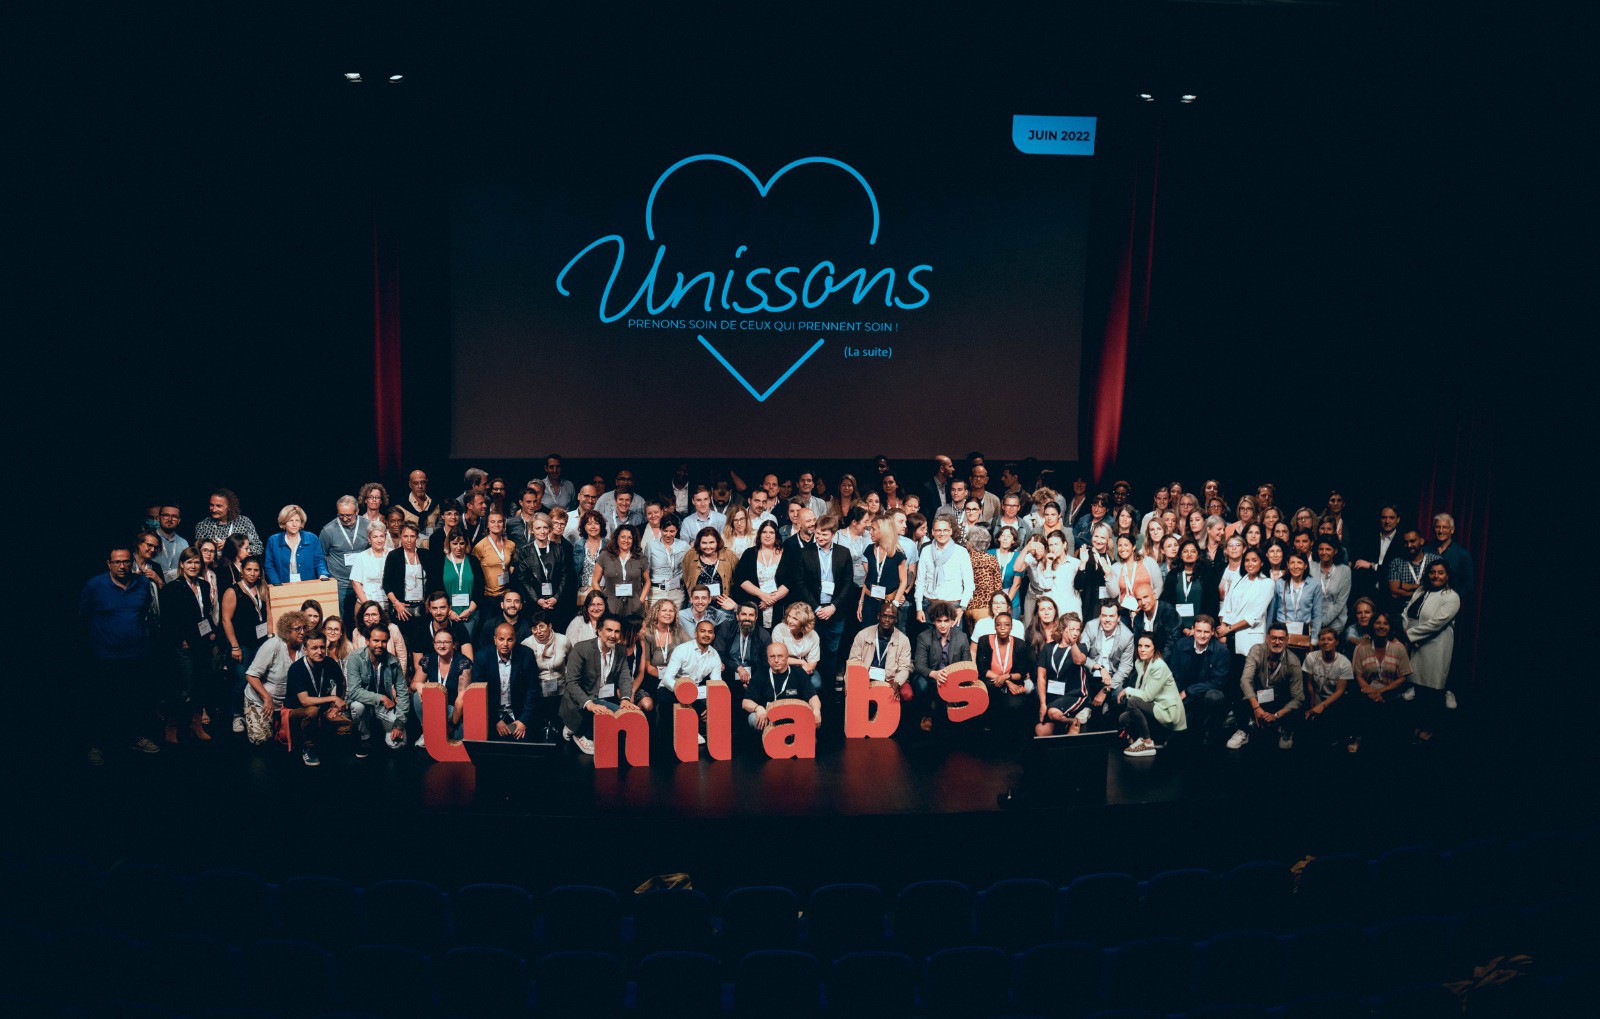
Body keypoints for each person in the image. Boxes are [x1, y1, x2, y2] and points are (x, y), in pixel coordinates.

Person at [80, 544, 161, 762]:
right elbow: (82, 616)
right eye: (117, 562)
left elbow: (146, 612)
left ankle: (135, 738)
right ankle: (97, 745)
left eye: (126, 561)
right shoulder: (95, 585)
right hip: (105, 656)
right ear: (109, 564)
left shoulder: (141, 583)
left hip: (136, 655)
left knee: (135, 700)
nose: (122, 566)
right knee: (103, 702)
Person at [158, 547, 216, 744]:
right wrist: (180, 641)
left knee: (202, 685)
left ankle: (196, 723)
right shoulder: (172, 588)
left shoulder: (204, 586)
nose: (193, 566)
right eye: (189, 562)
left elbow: (205, 614)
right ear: (181, 564)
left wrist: (211, 632)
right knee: (184, 688)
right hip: (183, 645)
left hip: (202, 643)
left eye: (197, 562)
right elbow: (167, 620)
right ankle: (172, 725)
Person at [1403, 560, 1460, 743]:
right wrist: (1407, 632)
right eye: (1433, 572)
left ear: (1447, 575)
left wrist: (1412, 636)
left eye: (1440, 572)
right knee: (1418, 688)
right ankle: (1418, 723)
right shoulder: (1420, 591)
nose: (1436, 576)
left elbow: (1437, 623)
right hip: (1415, 646)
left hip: (1435, 646)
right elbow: (1406, 613)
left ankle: (1429, 728)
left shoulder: (1451, 596)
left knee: (1432, 691)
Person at [561, 613, 632, 755]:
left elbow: (625, 677)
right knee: (598, 732)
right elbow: (571, 683)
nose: (613, 635)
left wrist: (625, 698)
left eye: (617, 631)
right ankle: (578, 732)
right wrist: (590, 704)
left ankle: (579, 726)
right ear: (599, 631)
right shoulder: (582, 649)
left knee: (622, 718)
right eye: (609, 630)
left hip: (602, 698)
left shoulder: (621, 651)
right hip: (581, 701)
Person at [1228, 623, 1305, 751]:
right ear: (1266, 638)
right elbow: (1245, 680)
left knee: (1297, 704)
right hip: (1258, 698)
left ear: (1287, 640)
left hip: (1279, 700)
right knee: (1239, 686)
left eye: (1281, 639)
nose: (1277, 642)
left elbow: (1298, 697)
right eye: (1273, 638)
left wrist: (1276, 715)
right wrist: (1257, 708)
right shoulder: (1256, 650)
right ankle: (1244, 729)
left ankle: (1285, 729)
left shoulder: (1293, 661)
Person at [1347, 610, 1413, 753]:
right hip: (1366, 693)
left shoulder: (1399, 648)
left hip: (1389, 694)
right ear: (1372, 626)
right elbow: (1357, 675)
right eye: (1378, 623)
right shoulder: (1361, 648)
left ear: (1390, 627)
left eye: (1385, 623)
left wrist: (1379, 692)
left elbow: (1403, 677)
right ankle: (1357, 736)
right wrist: (1370, 693)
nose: (1381, 626)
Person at [243, 610, 309, 746]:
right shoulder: (273, 645)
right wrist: (267, 697)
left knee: (291, 740)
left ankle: (278, 724)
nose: (302, 632)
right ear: (286, 630)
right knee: (261, 740)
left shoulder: (303, 648)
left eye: (304, 628)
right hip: (261, 701)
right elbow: (251, 675)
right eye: (297, 629)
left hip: (285, 705)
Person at [1166, 614, 1232, 748]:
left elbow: (1218, 682)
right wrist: (1175, 696)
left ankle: (1209, 733)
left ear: (1213, 632)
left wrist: (1189, 691)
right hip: (1185, 697)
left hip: (1205, 697)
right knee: (1178, 736)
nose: (1202, 635)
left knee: (1215, 696)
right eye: (1199, 631)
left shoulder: (1221, 650)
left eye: (1206, 632)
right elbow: (1174, 674)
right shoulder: (1181, 644)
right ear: (1193, 630)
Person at [283, 630, 348, 766]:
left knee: (347, 726)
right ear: (305, 650)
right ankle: (308, 747)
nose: (319, 651)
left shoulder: (329, 663)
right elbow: (305, 701)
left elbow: (342, 682)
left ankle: (324, 740)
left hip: (321, 708)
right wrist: (333, 699)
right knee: (312, 711)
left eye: (322, 647)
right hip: (297, 711)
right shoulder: (297, 669)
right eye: (314, 648)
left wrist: (337, 705)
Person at [1119, 633, 1187, 757]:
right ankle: (1147, 738)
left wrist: (1127, 690)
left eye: (1147, 646)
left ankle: (1147, 742)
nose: (1142, 649)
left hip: (1167, 710)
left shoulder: (1159, 666)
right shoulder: (1140, 663)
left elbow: (1147, 696)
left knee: (1132, 701)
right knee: (1124, 717)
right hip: (1154, 705)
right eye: (1140, 646)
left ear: (1154, 648)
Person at [659, 619, 724, 745]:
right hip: (671, 689)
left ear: (713, 636)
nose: (706, 635)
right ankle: (682, 736)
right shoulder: (682, 650)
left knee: (713, 707)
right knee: (668, 704)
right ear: (695, 634)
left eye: (710, 632)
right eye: (703, 631)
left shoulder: (714, 655)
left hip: (695, 691)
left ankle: (699, 735)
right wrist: (684, 694)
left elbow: (716, 684)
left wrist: (712, 706)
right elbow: (667, 679)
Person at [346, 623, 408, 754]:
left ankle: (384, 731)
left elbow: (403, 694)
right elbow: (354, 691)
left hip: (384, 708)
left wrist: (399, 725)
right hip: (365, 704)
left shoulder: (393, 661)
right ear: (367, 641)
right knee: (357, 707)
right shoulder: (355, 658)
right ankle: (365, 737)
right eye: (376, 640)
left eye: (383, 641)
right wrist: (381, 698)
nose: (380, 645)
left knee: (398, 744)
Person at [910, 602, 972, 732]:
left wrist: (953, 678)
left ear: (952, 621)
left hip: (952, 678)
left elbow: (967, 663)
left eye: (946, 621)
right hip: (930, 676)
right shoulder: (924, 637)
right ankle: (927, 715)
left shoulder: (961, 637)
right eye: (939, 621)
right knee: (921, 685)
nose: (943, 625)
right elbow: (919, 665)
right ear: (933, 621)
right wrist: (934, 674)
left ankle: (953, 711)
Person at [1036, 611, 1099, 736]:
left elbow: (1079, 660)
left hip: (1076, 694)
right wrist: (1043, 704)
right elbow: (1041, 677)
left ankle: (1072, 721)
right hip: (1054, 696)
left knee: (1053, 712)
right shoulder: (1048, 649)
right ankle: (1065, 722)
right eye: (1072, 629)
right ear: (1063, 629)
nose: (1076, 633)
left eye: (1078, 629)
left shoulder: (1080, 647)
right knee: (1040, 730)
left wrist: (1072, 643)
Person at [409, 626, 472, 750]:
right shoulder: (428, 660)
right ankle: (428, 731)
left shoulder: (463, 663)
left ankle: (442, 732)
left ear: (454, 645)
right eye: (438, 642)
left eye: (446, 642)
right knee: (417, 695)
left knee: (458, 739)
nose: (442, 645)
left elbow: (461, 699)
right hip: (434, 709)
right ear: (434, 644)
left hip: (453, 710)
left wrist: (451, 725)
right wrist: (418, 685)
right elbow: (412, 685)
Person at [974, 610, 1034, 736]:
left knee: (1015, 705)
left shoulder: (1020, 644)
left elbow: (1022, 673)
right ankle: (988, 731)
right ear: (994, 626)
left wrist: (1006, 677)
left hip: (1013, 681)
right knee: (989, 689)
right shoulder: (984, 640)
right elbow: (983, 670)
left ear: (1011, 627)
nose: (1002, 628)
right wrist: (1007, 681)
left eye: (1006, 625)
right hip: (991, 682)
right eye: (999, 624)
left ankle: (1008, 735)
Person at [513, 512, 572, 630]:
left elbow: (565, 575)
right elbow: (523, 580)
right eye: (538, 528)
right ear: (532, 530)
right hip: (534, 604)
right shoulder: (525, 551)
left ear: (549, 529)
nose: (542, 531)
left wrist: (556, 598)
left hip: (556, 602)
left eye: (545, 527)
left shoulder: (559, 549)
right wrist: (537, 599)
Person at [847, 601, 914, 701]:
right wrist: (851, 682)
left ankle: (896, 715)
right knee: (850, 690)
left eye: (891, 617)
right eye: (884, 616)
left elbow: (904, 667)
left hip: (890, 678)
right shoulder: (863, 634)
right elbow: (853, 662)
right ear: (878, 616)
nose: (887, 620)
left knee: (907, 693)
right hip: (866, 676)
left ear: (896, 620)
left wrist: (897, 683)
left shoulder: (904, 640)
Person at [482, 622, 538, 741]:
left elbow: (532, 690)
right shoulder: (482, 657)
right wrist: (496, 720)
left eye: (510, 640)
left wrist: (523, 720)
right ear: (495, 639)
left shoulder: (526, 654)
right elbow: (480, 694)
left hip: (518, 716)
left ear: (515, 640)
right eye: (501, 639)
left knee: (524, 746)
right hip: (493, 716)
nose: (505, 644)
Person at [1080, 599, 1135, 720]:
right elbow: (1081, 656)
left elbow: (1125, 668)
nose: (1107, 619)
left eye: (1111, 616)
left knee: (1120, 695)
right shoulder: (1090, 627)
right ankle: (1087, 708)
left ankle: (1109, 710)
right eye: (1104, 615)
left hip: (1112, 677)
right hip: (1090, 674)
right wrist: (1099, 667)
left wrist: (1105, 690)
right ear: (1100, 616)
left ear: (1118, 618)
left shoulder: (1127, 637)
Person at [520, 610, 571, 741]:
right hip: (538, 691)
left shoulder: (563, 640)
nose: (539, 631)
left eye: (541, 626)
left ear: (549, 626)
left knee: (558, 724)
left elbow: (571, 662)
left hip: (560, 689)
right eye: (534, 628)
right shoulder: (526, 644)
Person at [1300, 626, 1353, 749]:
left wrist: (1322, 706)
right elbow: (1309, 684)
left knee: (1331, 731)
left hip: (1335, 701)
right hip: (1317, 697)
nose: (1325, 642)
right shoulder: (1311, 657)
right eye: (1322, 639)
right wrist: (1313, 706)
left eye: (1329, 639)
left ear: (1336, 642)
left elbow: (1340, 690)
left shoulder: (1344, 663)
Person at [1217, 547, 1275, 660]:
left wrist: (1228, 629)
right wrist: (1223, 628)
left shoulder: (1267, 583)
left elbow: (1254, 617)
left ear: (1262, 562)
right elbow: (1226, 606)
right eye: (1247, 560)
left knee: (1248, 675)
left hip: (1249, 638)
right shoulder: (1238, 580)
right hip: (1230, 637)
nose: (1250, 564)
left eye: (1254, 560)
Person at [915, 518, 974, 626]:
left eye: (945, 530)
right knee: (929, 641)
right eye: (938, 530)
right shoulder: (926, 551)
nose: (942, 534)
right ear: (932, 532)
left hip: (953, 605)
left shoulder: (961, 552)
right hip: (930, 604)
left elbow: (969, 583)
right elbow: (920, 581)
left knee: (953, 642)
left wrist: (962, 608)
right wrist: (919, 608)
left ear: (950, 531)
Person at [382, 523, 432, 650]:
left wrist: (428, 602)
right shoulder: (394, 556)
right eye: (405, 536)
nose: (409, 540)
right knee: (404, 645)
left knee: (421, 643)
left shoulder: (426, 555)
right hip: (401, 609)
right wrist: (396, 603)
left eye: (412, 536)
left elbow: (432, 582)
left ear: (417, 537)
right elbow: (386, 583)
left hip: (421, 609)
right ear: (400, 537)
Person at [320, 496, 368, 622]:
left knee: (363, 619)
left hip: (363, 583)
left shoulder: (367, 526)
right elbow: (322, 556)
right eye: (341, 515)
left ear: (357, 512)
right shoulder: (328, 530)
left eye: (348, 515)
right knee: (340, 621)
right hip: (340, 584)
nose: (345, 519)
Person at [735, 519, 789, 629]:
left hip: (778, 605)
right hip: (755, 604)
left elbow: (790, 581)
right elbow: (740, 578)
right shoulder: (749, 553)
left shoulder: (786, 554)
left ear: (776, 535)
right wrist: (762, 595)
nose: (767, 535)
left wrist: (771, 599)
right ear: (760, 534)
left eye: (771, 532)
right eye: (764, 532)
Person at [435, 529, 485, 643]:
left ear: (466, 544)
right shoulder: (440, 562)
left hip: (470, 614)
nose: (458, 547)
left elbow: (480, 587)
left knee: (467, 646)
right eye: (455, 543)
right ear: (449, 544)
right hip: (447, 614)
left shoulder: (473, 561)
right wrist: (449, 612)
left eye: (462, 543)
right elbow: (437, 590)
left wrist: (470, 610)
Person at [1352, 503, 1404, 603]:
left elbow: (1395, 571)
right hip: (1367, 592)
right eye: (1384, 518)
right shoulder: (1369, 538)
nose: (1387, 521)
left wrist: (1371, 566)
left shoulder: (1403, 541)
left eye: (1391, 518)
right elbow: (1359, 564)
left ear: (1398, 520)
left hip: (1390, 595)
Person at [593, 523, 648, 618]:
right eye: (623, 537)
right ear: (617, 538)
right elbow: (594, 581)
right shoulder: (605, 555)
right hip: (610, 604)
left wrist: (641, 600)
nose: (626, 541)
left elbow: (647, 581)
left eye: (630, 538)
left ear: (633, 540)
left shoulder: (640, 557)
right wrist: (603, 601)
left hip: (635, 604)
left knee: (632, 632)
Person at [683, 526, 740, 615]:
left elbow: (738, 579)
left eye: (711, 542)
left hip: (723, 605)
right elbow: (686, 576)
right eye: (704, 543)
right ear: (699, 543)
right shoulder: (691, 555)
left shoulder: (728, 555)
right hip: (698, 604)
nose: (708, 546)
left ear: (717, 542)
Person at [1275, 550, 1324, 654]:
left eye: (1299, 563)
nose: (1295, 566)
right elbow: (1272, 611)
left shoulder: (1314, 585)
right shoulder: (1280, 583)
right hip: (1281, 629)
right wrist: (1268, 634)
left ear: (1305, 565)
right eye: (1292, 563)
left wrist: (1314, 640)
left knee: (1299, 665)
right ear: (1287, 565)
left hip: (1303, 630)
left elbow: (1317, 615)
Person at [715, 602, 770, 694]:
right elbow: (718, 653)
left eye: (751, 615)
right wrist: (738, 668)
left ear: (756, 618)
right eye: (744, 614)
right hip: (728, 675)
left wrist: (753, 681)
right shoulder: (726, 627)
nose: (747, 618)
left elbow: (765, 664)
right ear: (737, 616)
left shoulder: (763, 635)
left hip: (753, 677)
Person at [472, 510, 516, 624]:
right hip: (488, 597)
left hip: (505, 594)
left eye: (500, 521)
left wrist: (512, 567)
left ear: (504, 524)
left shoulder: (510, 545)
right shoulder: (480, 547)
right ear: (487, 525)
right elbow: (474, 572)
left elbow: (512, 563)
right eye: (492, 522)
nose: (496, 525)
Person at [194, 488, 263, 556]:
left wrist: (232, 547)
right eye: (211, 505)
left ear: (229, 506)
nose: (214, 509)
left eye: (219, 506)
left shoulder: (244, 522)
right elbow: (197, 552)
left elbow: (258, 548)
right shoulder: (203, 526)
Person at [1386, 528, 1439, 615]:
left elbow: (1438, 589)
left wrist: (1404, 586)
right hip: (1402, 613)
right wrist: (1422, 589)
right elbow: (1394, 593)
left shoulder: (1435, 560)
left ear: (1421, 541)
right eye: (1406, 542)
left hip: (1429, 612)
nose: (1409, 545)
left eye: (1412, 541)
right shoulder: (1396, 562)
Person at [771, 602, 822, 694]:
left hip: (804, 669)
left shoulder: (813, 635)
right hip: (783, 667)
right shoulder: (779, 630)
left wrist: (800, 674)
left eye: (795, 618)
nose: (790, 620)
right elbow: (778, 658)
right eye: (789, 616)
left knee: (815, 683)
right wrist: (801, 662)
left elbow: (812, 664)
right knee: (789, 687)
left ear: (804, 622)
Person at [1312, 536, 1353, 635]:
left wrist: (1322, 622)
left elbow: (1340, 602)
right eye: (1321, 549)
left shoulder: (1345, 571)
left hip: (1336, 624)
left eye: (1328, 549)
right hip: (1312, 622)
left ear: (1335, 551)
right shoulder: (1310, 567)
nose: (1324, 552)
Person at [350, 600, 408, 670]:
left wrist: (399, 676)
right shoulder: (356, 632)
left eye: (374, 615)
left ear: (380, 616)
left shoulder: (392, 629)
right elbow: (357, 659)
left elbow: (402, 656)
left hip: (390, 673)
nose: (370, 619)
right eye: (367, 615)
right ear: (362, 617)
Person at [964, 526, 1004, 628]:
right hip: (986, 608)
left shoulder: (965, 559)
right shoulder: (991, 559)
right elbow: (998, 586)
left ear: (971, 544)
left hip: (967, 607)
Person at [646, 517, 689, 607]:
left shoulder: (684, 546)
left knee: (676, 620)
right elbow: (646, 572)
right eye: (665, 531)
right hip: (656, 592)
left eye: (672, 531)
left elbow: (689, 567)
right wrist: (646, 597)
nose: (668, 534)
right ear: (660, 529)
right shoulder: (651, 545)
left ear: (677, 530)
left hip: (677, 592)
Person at [1130, 584, 1182, 659]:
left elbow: (1171, 644)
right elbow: (1137, 646)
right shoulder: (1138, 619)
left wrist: (1158, 664)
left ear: (1154, 595)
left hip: (1166, 661)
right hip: (1146, 660)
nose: (1143, 602)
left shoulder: (1168, 612)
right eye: (1139, 599)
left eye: (1145, 597)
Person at [151, 505, 189, 581]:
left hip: (177, 587)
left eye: (174, 516)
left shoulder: (184, 543)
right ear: (159, 518)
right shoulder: (149, 540)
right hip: (153, 585)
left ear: (179, 520)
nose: (170, 519)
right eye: (166, 515)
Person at [400, 470, 441, 538]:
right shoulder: (401, 507)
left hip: (432, 546)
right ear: (410, 484)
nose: (420, 486)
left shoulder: (435, 505)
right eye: (415, 483)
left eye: (423, 482)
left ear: (427, 483)